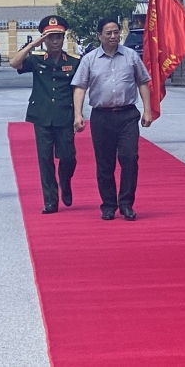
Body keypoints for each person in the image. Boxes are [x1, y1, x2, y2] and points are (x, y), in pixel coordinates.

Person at [72, 17, 153, 221]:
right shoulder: (89, 59)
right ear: (99, 35)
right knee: (105, 163)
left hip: (127, 115)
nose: (113, 36)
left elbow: (143, 82)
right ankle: (108, 204)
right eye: (108, 33)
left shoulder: (131, 56)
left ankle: (126, 203)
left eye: (116, 32)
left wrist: (147, 110)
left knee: (130, 158)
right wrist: (78, 114)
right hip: (102, 117)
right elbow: (80, 87)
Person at [10, 15, 79, 215]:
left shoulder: (74, 62)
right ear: (45, 39)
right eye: (50, 38)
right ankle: (50, 200)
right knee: (45, 159)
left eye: (58, 37)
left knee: (68, 157)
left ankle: (65, 181)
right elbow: (14, 63)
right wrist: (36, 44)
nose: (55, 41)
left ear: (64, 38)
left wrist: (78, 115)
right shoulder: (37, 60)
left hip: (65, 115)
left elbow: (78, 90)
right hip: (41, 116)